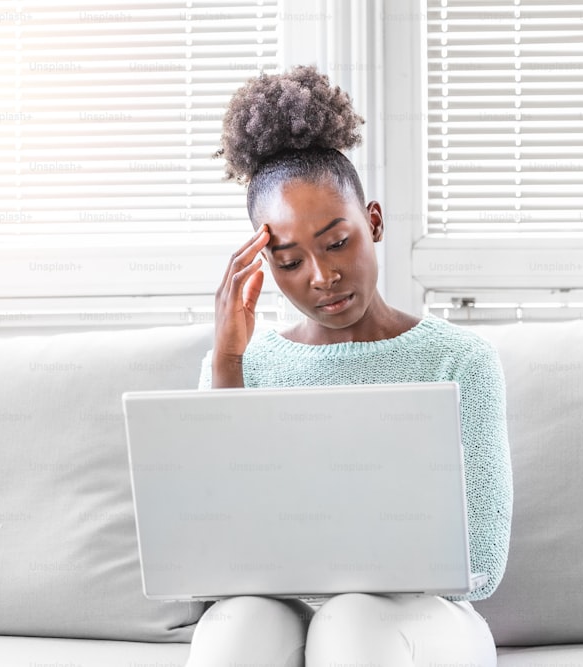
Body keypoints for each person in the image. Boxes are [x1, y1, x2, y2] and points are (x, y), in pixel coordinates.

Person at [187, 65, 512, 667]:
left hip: (421, 620)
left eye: (338, 242)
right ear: (263, 268)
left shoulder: (458, 360)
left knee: (352, 619)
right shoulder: (237, 365)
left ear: (376, 223)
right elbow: (211, 570)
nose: (322, 276)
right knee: (238, 625)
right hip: (290, 614)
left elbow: (483, 566)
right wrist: (229, 363)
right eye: (288, 262)